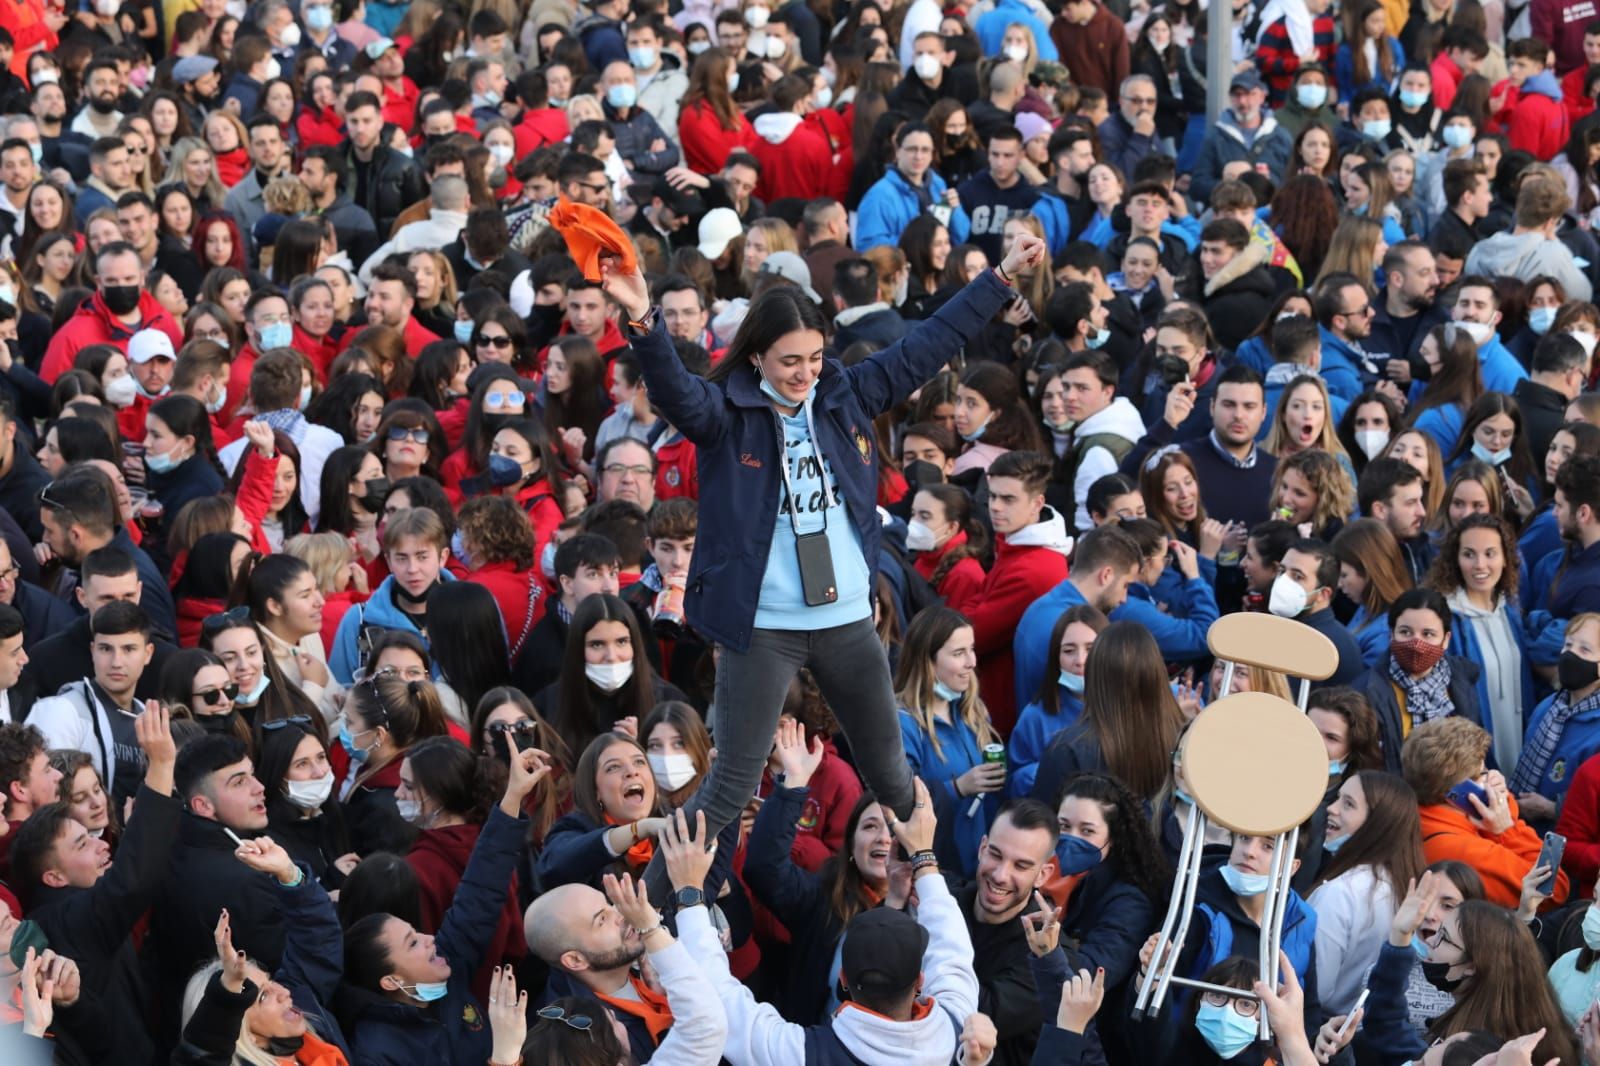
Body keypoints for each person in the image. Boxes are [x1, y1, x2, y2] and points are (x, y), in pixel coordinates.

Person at [601, 213, 1048, 898]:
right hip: (764, 628)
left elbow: (925, 345)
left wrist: (999, 278)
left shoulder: (844, 392)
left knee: (893, 776)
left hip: (845, 623)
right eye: (790, 362)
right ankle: (651, 914)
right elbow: (673, 390)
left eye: (814, 358)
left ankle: (937, 898)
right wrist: (642, 317)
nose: (806, 373)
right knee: (729, 787)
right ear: (756, 358)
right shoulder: (726, 414)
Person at [678, 777, 989, 1066]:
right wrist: (923, 855)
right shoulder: (953, 1031)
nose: (883, 837)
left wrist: (690, 891)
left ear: (842, 980)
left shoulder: (801, 1053)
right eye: (870, 826)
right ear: (921, 982)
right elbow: (952, 950)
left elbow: (721, 996)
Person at [340, 744, 547, 1065]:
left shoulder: (452, 972)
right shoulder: (378, 1050)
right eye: (412, 943)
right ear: (392, 981)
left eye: (416, 932)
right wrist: (504, 1057)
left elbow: (480, 891)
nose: (429, 937)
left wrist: (513, 797)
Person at [1403, 715, 1571, 908]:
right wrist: (1507, 830)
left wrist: (1502, 800)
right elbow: (1555, 889)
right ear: (1459, 792)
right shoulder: (1465, 851)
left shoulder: (1418, 816)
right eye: (1483, 772)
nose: (1491, 776)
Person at [1306, 770, 1425, 1015]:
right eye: (1337, 798)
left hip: (1326, 1027)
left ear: (1378, 824)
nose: (1332, 808)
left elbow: (1314, 989)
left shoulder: (1339, 893)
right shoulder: (1401, 887)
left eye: (1348, 804)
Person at [1356, 587, 1486, 770]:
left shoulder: (1462, 681)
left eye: (1428, 634)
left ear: (1446, 639)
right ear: (1391, 634)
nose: (1416, 644)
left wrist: (1486, 774)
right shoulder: (1365, 692)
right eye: (1405, 632)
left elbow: (1478, 753)